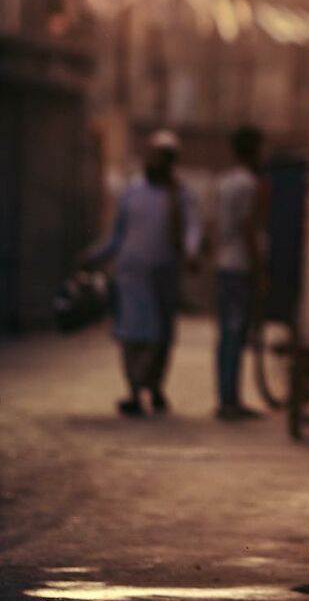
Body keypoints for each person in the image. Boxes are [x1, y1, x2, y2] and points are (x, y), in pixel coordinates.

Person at [89, 130, 201, 416]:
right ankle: (135, 391)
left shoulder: (181, 195)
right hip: (131, 275)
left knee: (159, 337)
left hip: (164, 274)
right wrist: (93, 257)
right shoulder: (132, 192)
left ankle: (153, 386)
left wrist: (191, 252)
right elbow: (117, 236)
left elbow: (191, 229)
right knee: (132, 335)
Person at [212, 125, 267, 421]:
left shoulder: (225, 182)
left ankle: (228, 396)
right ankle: (229, 401)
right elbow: (248, 229)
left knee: (227, 335)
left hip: (224, 264)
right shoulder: (247, 184)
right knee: (234, 333)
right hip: (240, 267)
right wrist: (260, 270)